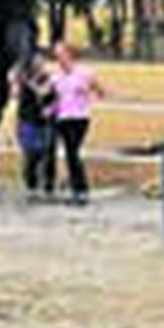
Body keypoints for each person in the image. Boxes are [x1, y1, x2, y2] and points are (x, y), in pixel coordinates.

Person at [50, 40, 105, 205]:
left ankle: (81, 189)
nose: (59, 58)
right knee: (69, 153)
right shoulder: (55, 76)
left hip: (79, 117)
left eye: (61, 54)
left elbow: (100, 92)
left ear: (70, 55)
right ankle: (77, 188)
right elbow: (52, 96)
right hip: (62, 117)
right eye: (56, 55)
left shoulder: (84, 73)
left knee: (73, 152)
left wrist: (87, 94)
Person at [10, 48, 57, 199]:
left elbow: (54, 98)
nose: (40, 63)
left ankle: (48, 185)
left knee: (48, 154)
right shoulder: (23, 79)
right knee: (30, 155)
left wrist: (50, 108)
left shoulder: (48, 79)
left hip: (45, 121)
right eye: (37, 61)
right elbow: (15, 94)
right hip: (28, 120)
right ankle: (31, 185)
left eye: (42, 61)